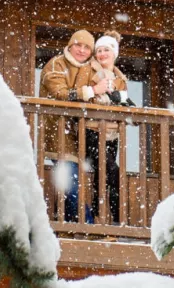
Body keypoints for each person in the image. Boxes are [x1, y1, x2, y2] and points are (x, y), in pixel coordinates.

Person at [39, 30, 95, 221]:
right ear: (70, 46)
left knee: (74, 183)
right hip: (59, 133)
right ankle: (86, 225)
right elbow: (60, 93)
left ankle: (74, 225)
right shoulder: (56, 64)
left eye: (87, 47)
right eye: (78, 45)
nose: (81, 50)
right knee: (70, 183)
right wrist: (90, 91)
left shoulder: (90, 68)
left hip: (82, 135)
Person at [86, 34, 131, 224]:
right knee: (111, 171)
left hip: (112, 133)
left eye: (106, 50)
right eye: (99, 51)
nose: (102, 54)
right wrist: (97, 91)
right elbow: (83, 93)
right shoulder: (89, 71)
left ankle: (105, 218)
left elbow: (124, 103)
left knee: (104, 175)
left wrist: (124, 103)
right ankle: (115, 219)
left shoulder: (120, 78)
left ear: (115, 53)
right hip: (93, 129)